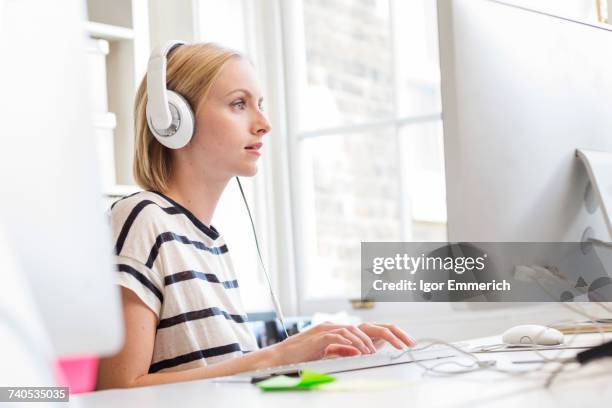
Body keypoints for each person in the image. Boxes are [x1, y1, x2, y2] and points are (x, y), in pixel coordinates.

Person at [96, 42, 413, 389]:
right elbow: (116, 390)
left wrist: (315, 352)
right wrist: (279, 355)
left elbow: (225, 377)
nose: (263, 124)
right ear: (172, 119)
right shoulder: (142, 219)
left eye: (259, 105)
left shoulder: (211, 243)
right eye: (238, 104)